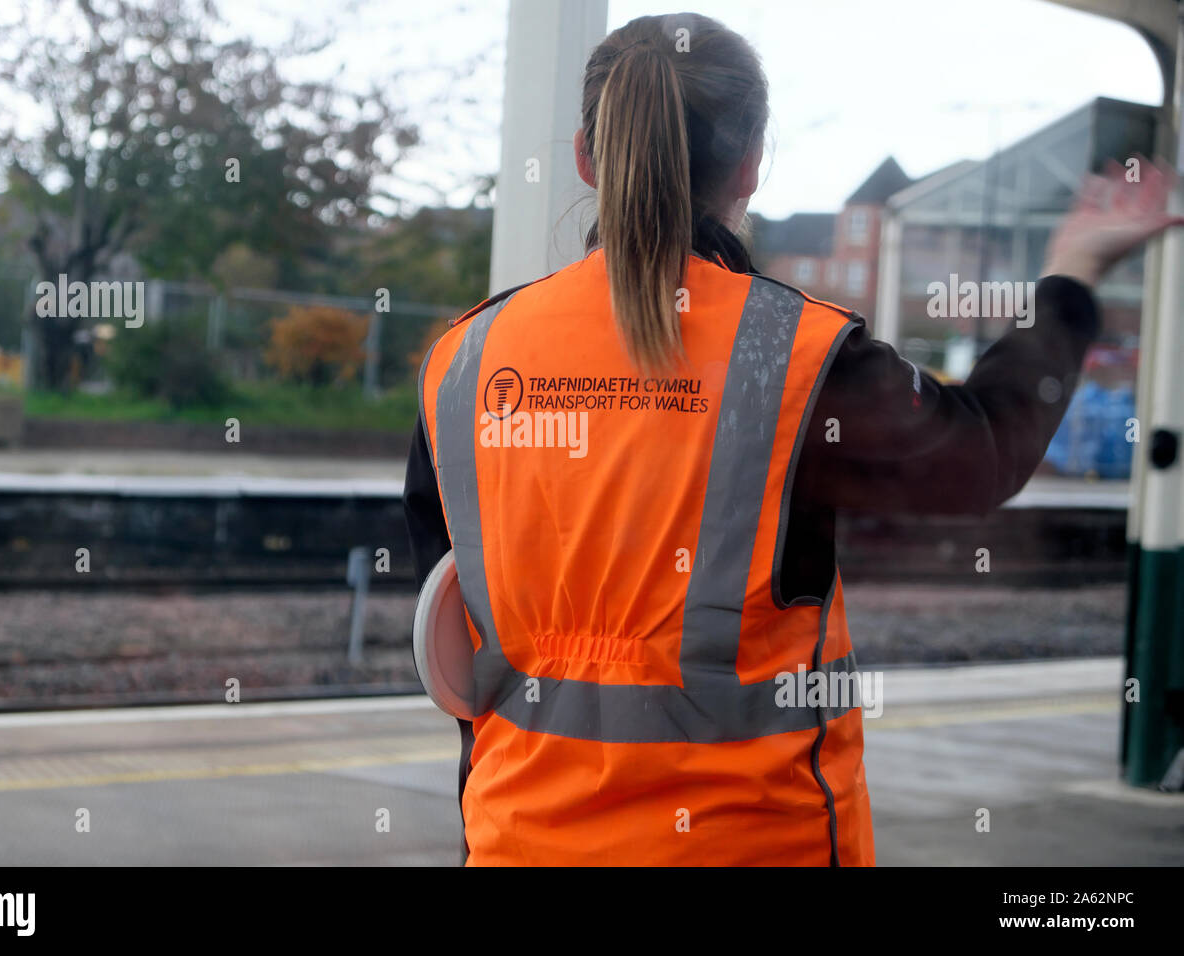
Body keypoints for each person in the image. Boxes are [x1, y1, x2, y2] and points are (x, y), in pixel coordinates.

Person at [403, 12, 1184, 866]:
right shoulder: (799, 357)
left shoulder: (464, 360)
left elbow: (450, 638)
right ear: (750, 163)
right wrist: (1071, 273)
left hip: (521, 842)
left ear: (588, 157)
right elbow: (981, 454)